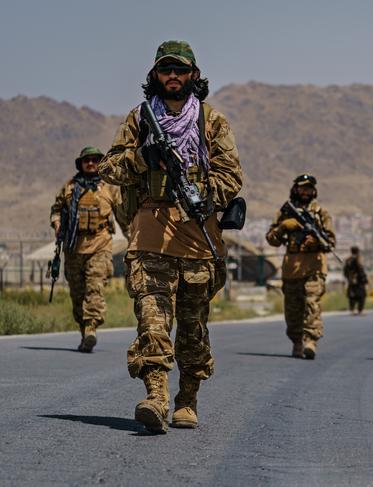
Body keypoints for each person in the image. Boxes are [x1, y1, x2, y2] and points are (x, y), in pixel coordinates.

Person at [98, 40, 243, 433]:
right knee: (153, 320)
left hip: (198, 238)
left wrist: (200, 190)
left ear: (194, 75)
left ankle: (187, 400)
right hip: (150, 236)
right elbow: (109, 169)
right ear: (155, 75)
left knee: (193, 328)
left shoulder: (211, 122)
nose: (173, 77)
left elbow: (232, 175)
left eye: (180, 70)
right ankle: (157, 397)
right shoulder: (140, 120)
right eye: (166, 70)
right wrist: (144, 157)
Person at [50, 146, 129, 353]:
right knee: (77, 294)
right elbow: (56, 210)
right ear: (81, 163)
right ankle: (84, 331)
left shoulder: (109, 188)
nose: (91, 163)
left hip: (100, 246)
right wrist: (57, 222)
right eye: (87, 160)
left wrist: (134, 240)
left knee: (94, 288)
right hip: (73, 248)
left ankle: (91, 327)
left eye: (95, 160)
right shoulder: (69, 188)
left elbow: (124, 217)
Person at [265, 174, 336, 359]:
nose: (306, 192)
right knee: (293, 309)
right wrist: (283, 228)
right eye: (302, 188)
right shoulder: (286, 212)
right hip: (292, 268)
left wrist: (316, 241)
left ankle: (311, 341)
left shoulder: (321, 213)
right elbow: (271, 239)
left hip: (314, 267)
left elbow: (331, 242)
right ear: (296, 189)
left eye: (309, 188)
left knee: (312, 303)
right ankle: (297, 342)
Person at [343, 246, 368, 315]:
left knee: (352, 295)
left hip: (351, 280)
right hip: (359, 281)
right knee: (362, 295)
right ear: (358, 251)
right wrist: (364, 279)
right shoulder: (358, 259)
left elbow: (345, 271)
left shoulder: (348, 260)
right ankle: (360, 310)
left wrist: (349, 278)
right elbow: (361, 270)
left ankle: (352, 310)